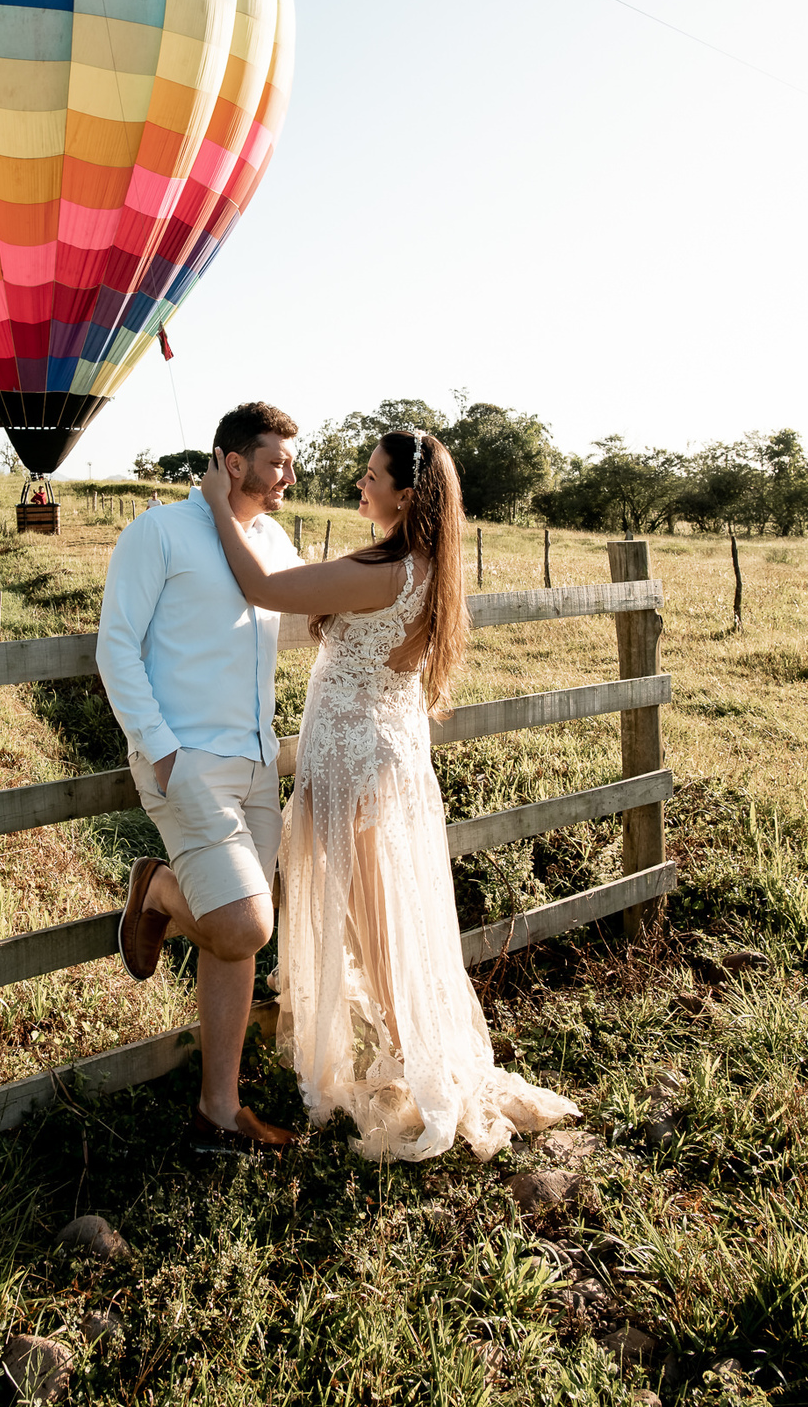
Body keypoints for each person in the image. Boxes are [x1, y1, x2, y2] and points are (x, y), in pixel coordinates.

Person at [199, 431, 579, 1162]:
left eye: (372, 478)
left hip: (353, 762)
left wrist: (220, 505)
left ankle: (420, 1062)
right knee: (381, 918)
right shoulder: (421, 565)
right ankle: (414, 1050)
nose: (361, 488)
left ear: (407, 496)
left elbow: (264, 588)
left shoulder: (387, 569)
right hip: (378, 756)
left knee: (375, 924)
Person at [96, 401, 303, 1153]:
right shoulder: (159, 531)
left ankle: (219, 1106)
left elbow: (310, 613)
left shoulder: (273, 539)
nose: (289, 473)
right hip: (182, 758)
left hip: (255, 762)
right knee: (246, 921)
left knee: (239, 937)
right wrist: (160, 749)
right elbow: (115, 647)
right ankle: (152, 887)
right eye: (277, 460)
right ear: (232, 460)